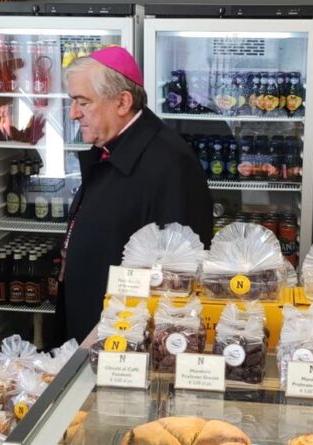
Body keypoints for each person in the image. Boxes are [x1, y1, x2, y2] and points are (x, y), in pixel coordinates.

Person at [59, 47, 212, 340]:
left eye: (83, 102)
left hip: (130, 335)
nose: (73, 113)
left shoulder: (170, 162)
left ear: (122, 102)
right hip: (98, 320)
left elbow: (179, 274)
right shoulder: (113, 145)